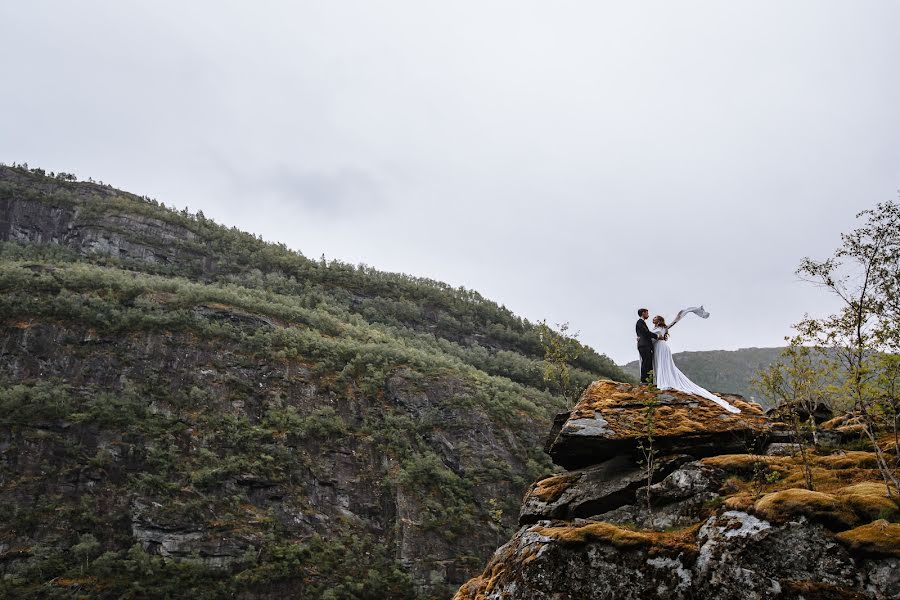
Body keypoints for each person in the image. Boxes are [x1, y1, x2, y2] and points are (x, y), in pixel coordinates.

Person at [651, 314, 741, 413]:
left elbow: (653, 334)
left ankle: (664, 381)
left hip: (661, 347)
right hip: (657, 347)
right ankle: (660, 380)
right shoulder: (657, 328)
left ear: (659, 320)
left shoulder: (662, 327)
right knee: (660, 364)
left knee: (664, 364)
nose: (653, 318)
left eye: (655, 318)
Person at [635, 308, 663, 383]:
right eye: (647, 313)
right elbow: (646, 332)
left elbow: (640, 333)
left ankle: (648, 381)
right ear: (643, 313)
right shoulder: (640, 322)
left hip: (644, 345)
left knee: (648, 362)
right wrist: (657, 336)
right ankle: (644, 381)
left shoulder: (641, 322)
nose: (648, 315)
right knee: (646, 362)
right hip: (644, 345)